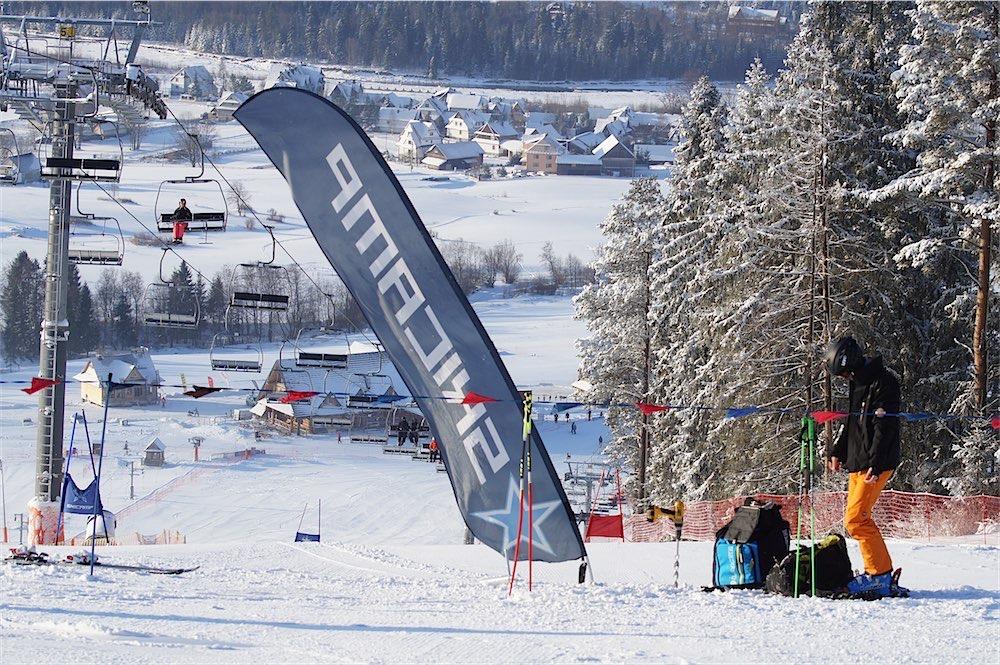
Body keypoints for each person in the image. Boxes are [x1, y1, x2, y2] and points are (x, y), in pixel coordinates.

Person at [824, 336, 907, 598]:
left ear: (853, 363)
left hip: (875, 463)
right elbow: (851, 422)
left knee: (856, 520)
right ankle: (876, 571)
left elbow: (886, 426)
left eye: (845, 373)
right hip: (858, 462)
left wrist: (876, 463)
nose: (844, 378)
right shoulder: (858, 384)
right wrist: (837, 450)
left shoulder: (884, 382)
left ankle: (880, 576)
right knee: (856, 519)